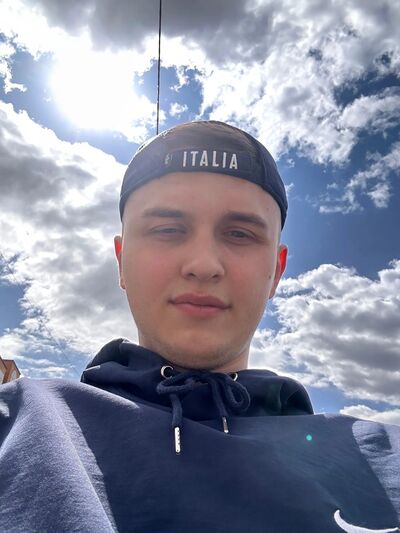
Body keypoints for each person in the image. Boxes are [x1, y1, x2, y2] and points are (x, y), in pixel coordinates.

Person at [0, 121, 399, 533]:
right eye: (167, 230)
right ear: (121, 261)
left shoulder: (384, 457)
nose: (204, 265)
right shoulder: (18, 421)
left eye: (239, 234)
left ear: (276, 273)